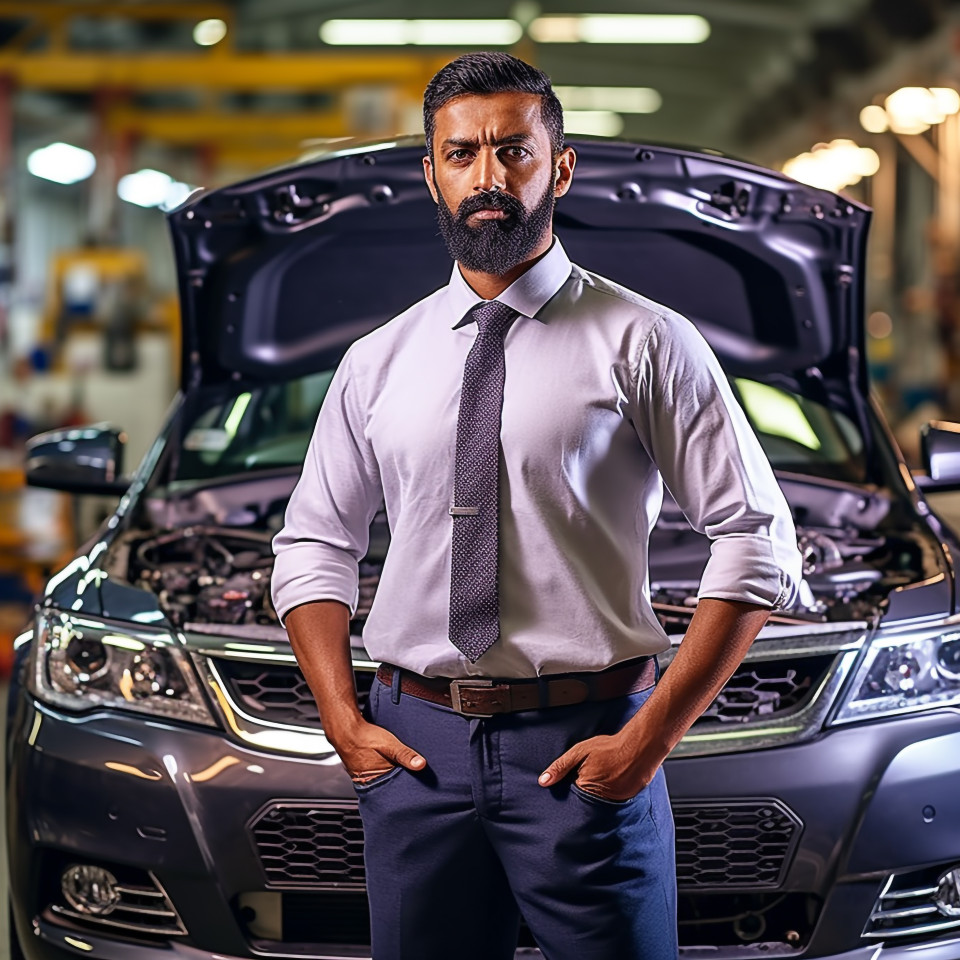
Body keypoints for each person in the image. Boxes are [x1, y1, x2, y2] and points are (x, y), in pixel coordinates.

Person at [272, 51, 802, 960]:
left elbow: (755, 540)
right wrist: (342, 722)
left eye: (513, 150)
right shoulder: (376, 361)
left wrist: (647, 744)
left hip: (587, 742)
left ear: (558, 168)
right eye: (462, 153)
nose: (488, 176)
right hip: (413, 751)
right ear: (431, 173)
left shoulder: (647, 341)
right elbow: (315, 543)